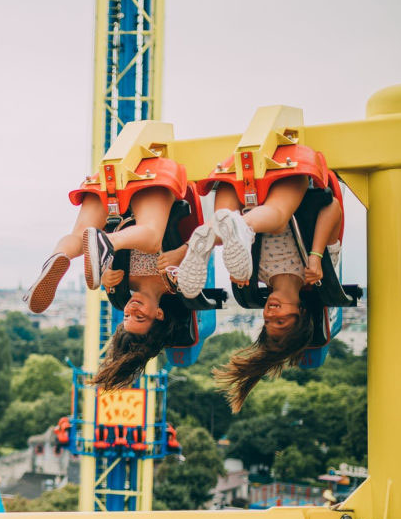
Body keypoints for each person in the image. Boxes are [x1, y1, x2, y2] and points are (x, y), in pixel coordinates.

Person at [175, 171, 343, 411]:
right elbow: (333, 207)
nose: (271, 313)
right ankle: (232, 230)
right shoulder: (318, 272)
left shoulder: (258, 273)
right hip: (291, 183)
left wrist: (239, 266)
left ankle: (224, 232)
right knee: (277, 219)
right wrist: (316, 255)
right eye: (282, 320)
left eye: (268, 320)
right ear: (302, 312)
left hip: (237, 186)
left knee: (224, 227)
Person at [22, 159, 192, 389]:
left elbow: (99, 256)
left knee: (80, 237)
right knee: (152, 239)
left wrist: (105, 274)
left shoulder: (121, 282)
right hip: (150, 181)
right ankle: (105, 244)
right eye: (139, 317)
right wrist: (183, 252)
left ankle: (60, 255)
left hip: (110, 193)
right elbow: (206, 240)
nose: (131, 310)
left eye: (126, 317)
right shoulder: (177, 282)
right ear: (159, 314)